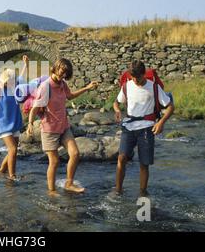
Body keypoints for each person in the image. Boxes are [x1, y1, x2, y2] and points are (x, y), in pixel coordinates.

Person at [27, 58, 98, 196]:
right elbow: (35, 108)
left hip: (64, 126)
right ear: (56, 68)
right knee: (54, 161)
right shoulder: (45, 86)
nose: (63, 75)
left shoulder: (62, 83)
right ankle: (51, 191)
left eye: (66, 73)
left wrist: (87, 88)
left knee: (75, 154)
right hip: (49, 130)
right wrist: (30, 124)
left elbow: (70, 96)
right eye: (62, 71)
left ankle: (69, 183)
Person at [113, 60, 174, 197]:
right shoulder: (127, 86)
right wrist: (117, 110)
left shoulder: (154, 87)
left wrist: (161, 123)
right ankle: (118, 190)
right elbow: (116, 102)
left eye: (138, 77)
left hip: (147, 128)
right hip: (128, 127)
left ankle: (142, 193)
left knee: (143, 163)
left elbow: (170, 106)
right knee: (121, 158)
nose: (135, 80)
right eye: (132, 77)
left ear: (144, 74)